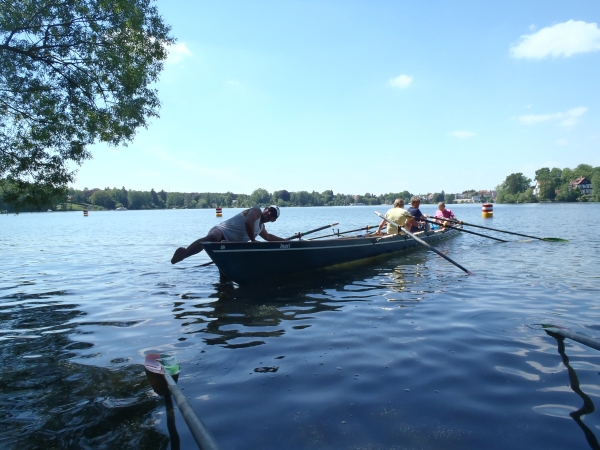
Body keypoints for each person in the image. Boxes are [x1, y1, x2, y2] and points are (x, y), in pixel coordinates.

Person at [171, 205, 285, 264]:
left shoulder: (261, 228)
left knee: (225, 275)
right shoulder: (256, 211)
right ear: (265, 209)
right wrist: (253, 241)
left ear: (274, 220)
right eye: (269, 210)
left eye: (273, 214)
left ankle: (224, 291)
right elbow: (248, 222)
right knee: (213, 238)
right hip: (221, 231)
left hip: (229, 246)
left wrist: (287, 242)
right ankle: (183, 255)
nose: (269, 213)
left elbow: (269, 237)